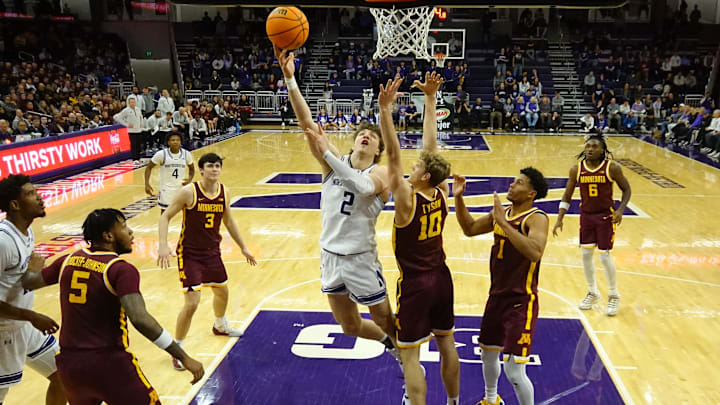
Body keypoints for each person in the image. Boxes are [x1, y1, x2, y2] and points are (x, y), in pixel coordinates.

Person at [275, 45, 402, 368]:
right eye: (361, 134)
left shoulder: (382, 172)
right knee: (349, 327)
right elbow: (307, 121)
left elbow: (360, 186)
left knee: (387, 318)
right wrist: (290, 79)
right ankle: (390, 344)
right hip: (330, 256)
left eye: (371, 137)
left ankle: (405, 355)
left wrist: (326, 153)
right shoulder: (333, 165)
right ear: (352, 140)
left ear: (378, 149)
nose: (365, 137)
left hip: (361, 258)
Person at [21, 209, 204, 404]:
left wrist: (32, 266)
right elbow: (140, 319)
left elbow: (29, 282)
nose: (131, 232)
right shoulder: (120, 269)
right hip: (109, 365)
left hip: (70, 367)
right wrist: (182, 356)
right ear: (108, 236)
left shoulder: (68, 260)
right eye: (124, 227)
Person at [372, 74, 460, 404]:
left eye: (417, 165)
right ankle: (453, 402)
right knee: (446, 343)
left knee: (410, 355)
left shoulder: (408, 200)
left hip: (416, 284)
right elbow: (431, 149)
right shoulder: (440, 191)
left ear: (422, 176)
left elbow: (393, 156)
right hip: (442, 276)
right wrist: (431, 100)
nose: (413, 163)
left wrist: (385, 112)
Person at [453, 167, 550, 405]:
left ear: (531, 193)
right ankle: (490, 399)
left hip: (521, 301)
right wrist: (457, 197)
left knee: (515, 373)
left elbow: (535, 252)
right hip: (496, 297)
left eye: (519, 183)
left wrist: (504, 225)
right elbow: (470, 229)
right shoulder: (503, 213)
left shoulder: (536, 217)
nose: (511, 185)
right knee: (487, 355)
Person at [157, 152, 257, 370]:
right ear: (201, 170)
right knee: (192, 303)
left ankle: (220, 325)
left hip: (213, 251)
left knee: (222, 291)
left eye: (218, 166)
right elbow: (165, 216)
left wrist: (244, 247)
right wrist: (163, 244)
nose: (215, 169)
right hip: (190, 253)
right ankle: (178, 349)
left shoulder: (224, 192)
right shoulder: (188, 192)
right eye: (210, 166)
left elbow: (229, 221)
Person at [0, 175, 66, 405]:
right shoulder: (3, 241)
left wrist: (32, 275)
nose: (39, 197)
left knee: (65, 374)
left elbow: (17, 283)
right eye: (30, 193)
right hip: (3, 333)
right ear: (14, 204)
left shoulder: (27, 233)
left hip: (23, 326)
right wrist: (31, 315)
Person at [552, 135, 632, 316]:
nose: (590, 149)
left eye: (594, 146)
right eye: (587, 146)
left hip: (605, 216)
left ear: (602, 149)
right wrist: (560, 218)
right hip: (586, 216)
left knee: (604, 256)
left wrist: (620, 210)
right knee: (586, 254)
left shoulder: (612, 167)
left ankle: (613, 295)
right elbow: (567, 195)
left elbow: (627, 189)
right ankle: (592, 292)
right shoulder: (577, 169)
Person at [144, 131, 195, 213]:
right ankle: (163, 226)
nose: (175, 142)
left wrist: (189, 179)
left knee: (186, 212)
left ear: (180, 142)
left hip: (181, 188)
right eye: (173, 140)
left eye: (177, 140)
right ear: (168, 142)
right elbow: (149, 167)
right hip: (166, 189)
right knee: (164, 213)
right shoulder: (161, 154)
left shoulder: (186, 154)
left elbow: (192, 169)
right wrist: (147, 184)